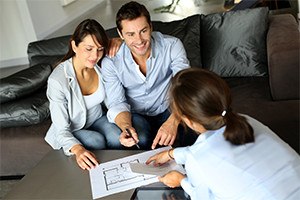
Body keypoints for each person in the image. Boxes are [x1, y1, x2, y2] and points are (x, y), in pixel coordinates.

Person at [146, 68, 300, 200]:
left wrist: (181, 181)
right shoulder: (247, 121)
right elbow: (211, 150)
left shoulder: (198, 161)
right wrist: (172, 154)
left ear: (187, 120)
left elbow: (203, 196)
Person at [101, 1, 190, 150]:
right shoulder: (111, 62)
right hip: (136, 114)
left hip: (169, 106)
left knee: (193, 128)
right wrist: (126, 127)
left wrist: (173, 121)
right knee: (138, 140)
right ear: (120, 34)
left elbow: (186, 87)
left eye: (143, 31)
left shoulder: (172, 46)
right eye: (130, 34)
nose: (139, 40)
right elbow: (116, 102)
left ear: (151, 27)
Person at [45, 19, 122, 171]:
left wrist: (119, 41)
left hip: (96, 119)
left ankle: (120, 172)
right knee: (96, 140)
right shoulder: (57, 81)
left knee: (116, 136)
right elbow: (61, 130)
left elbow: (128, 41)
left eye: (100, 49)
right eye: (88, 49)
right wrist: (78, 149)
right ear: (74, 45)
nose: (95, 55)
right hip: (70, 129)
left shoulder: (100, 62)